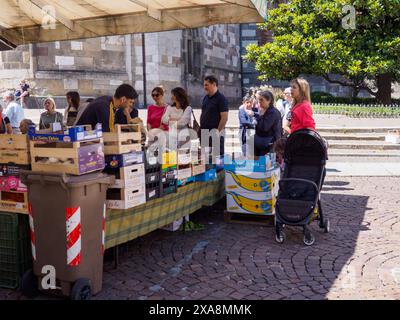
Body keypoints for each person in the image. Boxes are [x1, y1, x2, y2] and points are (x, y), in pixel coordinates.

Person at [200, 75, 229, 156]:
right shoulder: (205, 98)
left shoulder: (221, 99)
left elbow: (224, 118)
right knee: (205, 159)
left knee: (217, 159)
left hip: (216, 133)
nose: (204, 87)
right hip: (205, 133)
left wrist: (217, 132)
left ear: (214, 84)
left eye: (206, 85)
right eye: (204, 85)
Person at [253, 90, 282, 156]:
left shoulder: (272, 112)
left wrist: (260, 116)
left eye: (261, 100)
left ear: (269, 100)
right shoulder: (267, 111)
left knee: (266, 165)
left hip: (269, 145)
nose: (259, 102)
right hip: (264, 144)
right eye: (258, 100)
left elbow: (264, 127)